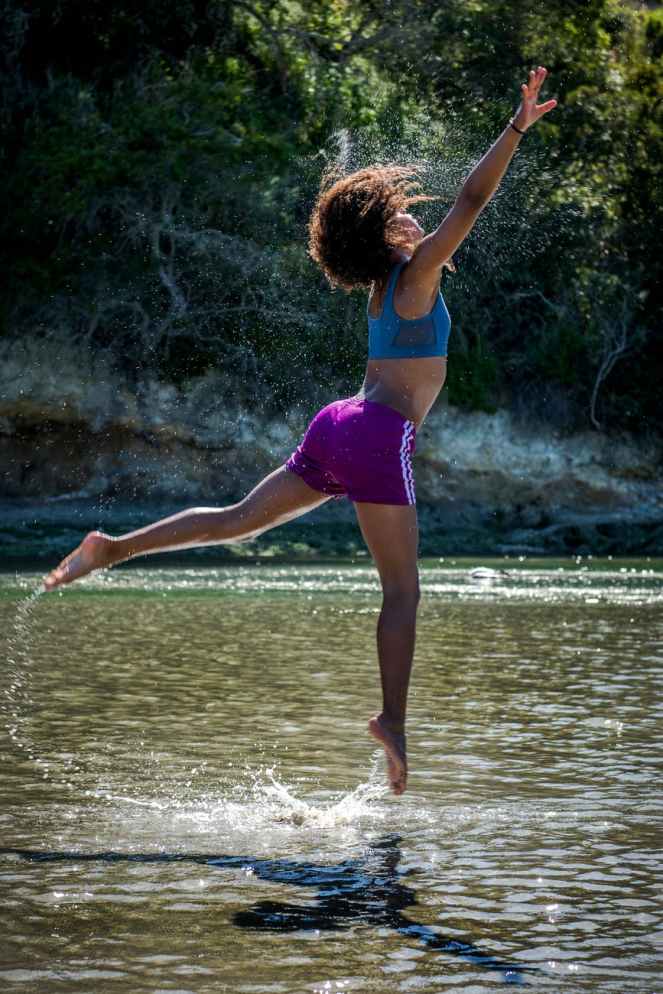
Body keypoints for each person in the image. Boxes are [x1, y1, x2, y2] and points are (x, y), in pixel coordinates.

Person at [43, 68, 556, 796]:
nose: (417, 220)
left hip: (336, 422)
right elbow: (471, 200)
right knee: (402, 592)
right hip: (378, 435)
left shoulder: (384, 287)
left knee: (236, 521)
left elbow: (441, 223)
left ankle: (114, 546)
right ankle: (393, 720)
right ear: (384, 239)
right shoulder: (413, 280)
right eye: (403, 218)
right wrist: (515, 128)